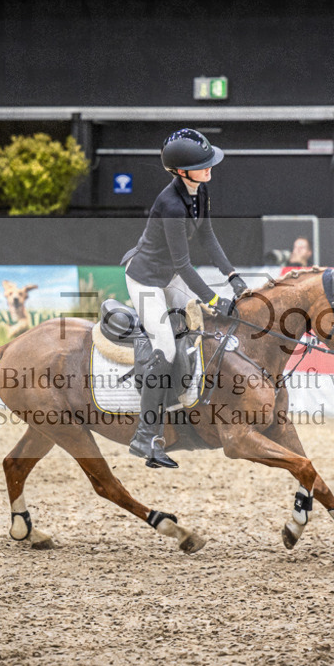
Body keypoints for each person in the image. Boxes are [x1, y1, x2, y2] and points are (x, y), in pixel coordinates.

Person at [119, 128, 248, 469]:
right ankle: (146, 437)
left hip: (169, 275)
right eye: (202, 165)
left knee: (200, 329)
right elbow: (183, 264)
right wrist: (213, 298)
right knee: (166, 344)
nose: (210, 169)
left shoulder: (200, 191)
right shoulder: (170, 204)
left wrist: (233, 277)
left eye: (209, 162)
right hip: (145, 279)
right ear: (180, 171)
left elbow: (207, 235)